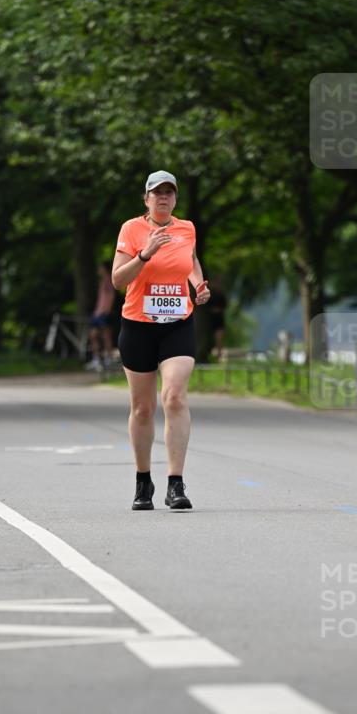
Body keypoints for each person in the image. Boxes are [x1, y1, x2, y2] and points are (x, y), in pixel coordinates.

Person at [112, 170, 210, 511]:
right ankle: (143, 481)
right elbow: (117, 280)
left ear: (175, 199)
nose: (163, 198)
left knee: (174, 397)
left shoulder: (187, 229)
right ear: (146, 198)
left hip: (177, 324)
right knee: (142, 408)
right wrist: (144, 254)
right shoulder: (131, 229)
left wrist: (198, 283)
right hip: (137, 325)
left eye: (169, 193)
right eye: (157, 193)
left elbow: (191, 261)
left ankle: (175, 484)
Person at [85, 263, 116, 370]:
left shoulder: (108, 280)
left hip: (103, 313)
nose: (98, 270)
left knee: (106, 336)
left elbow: (111, 297)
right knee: (93, 335)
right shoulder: (103, 281)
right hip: (98, 313)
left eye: (100, 268)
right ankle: (96, 358)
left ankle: (108, 358)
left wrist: (106, 311)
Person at [208, 276, 228, 360]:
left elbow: (225, 306)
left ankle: (219, 354)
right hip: (210, 319)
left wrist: (217, 310)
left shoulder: (221, 295)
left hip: (219, 319)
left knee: (219, 337)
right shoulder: (210, 294)